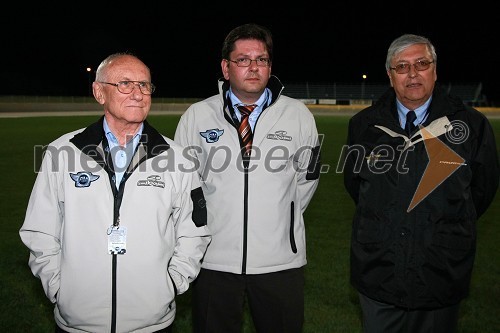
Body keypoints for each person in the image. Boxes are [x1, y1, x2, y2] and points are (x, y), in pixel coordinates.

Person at [19, 52, 212, 333]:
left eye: (144, 85)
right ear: (99, 92)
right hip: (79, 322)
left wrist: (171, 284)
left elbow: (195, 231)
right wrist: (60, 289)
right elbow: (40, 231)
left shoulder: (179, 158)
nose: (137, 93)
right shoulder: (61, 152)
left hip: (152, 322)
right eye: (125, 84)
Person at [343, 33, 500, 333]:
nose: (412, 73)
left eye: (421, 64)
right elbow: (357, 188)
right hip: (379, 275)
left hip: (440, 276)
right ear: (390, 76)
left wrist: (439, 225)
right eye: (402, 67)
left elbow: (481, 191)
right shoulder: (363, 126)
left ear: (435, 70)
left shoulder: (471, 126)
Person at [174, 23, 321, 332]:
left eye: (262, 59)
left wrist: (281, 218)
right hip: (213, 263)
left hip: (280, 264)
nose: (254, 67)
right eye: (243, 59)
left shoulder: (298, 115)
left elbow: (306, 181)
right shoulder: (198, 116)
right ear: (226, 68)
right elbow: (184, 184)